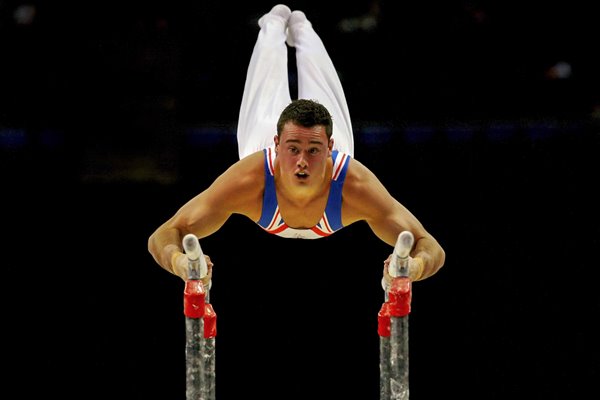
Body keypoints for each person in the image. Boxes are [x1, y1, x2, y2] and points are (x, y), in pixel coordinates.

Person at [148, 4, 445, 287]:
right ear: (277, 145)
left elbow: (429, 245)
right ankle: (274, 23)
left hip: (322, 154)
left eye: (313, 150)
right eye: (293, 149)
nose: (302, 160)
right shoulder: (249, 178)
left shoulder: (354, 183)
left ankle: (302, 27)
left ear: (329, 147)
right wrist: (179, 263)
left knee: (321, 84)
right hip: (264, 143)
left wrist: (412, 269)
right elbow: (164, 234)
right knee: (266, 80)